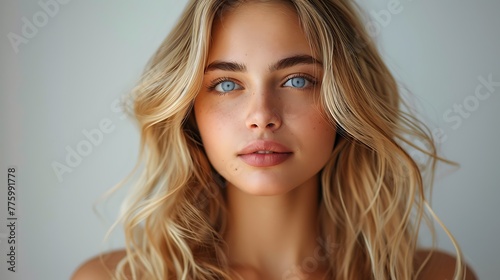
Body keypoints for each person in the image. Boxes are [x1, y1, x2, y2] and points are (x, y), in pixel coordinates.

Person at [72, 0, 477, 279]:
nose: (262, 116)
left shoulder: (438, 276)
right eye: (227, 83)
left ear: (346, 103)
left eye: (297, 80)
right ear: (189, 111)